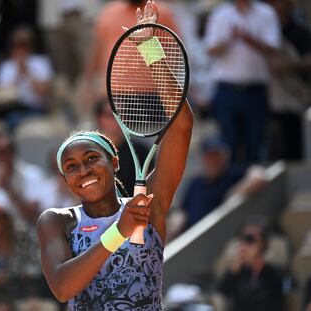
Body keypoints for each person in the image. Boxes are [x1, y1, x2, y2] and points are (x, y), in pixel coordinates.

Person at [36, 2, 193, 308]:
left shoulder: (150, 204)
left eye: (92, 158)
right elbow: (63, 287)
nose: (83, 170)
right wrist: (118, 231)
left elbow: (182, 126)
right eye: (71, 166)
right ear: (64, 178)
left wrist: (149, 48)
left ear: (115, 161)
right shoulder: (57, 222)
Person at [204, 0, 281, 162]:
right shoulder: (220, 15)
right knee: (227, 144)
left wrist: (249, 40)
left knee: (256, 144)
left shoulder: (266, 13)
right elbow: (210, 49)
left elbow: (273, 48)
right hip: (227, 90)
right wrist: (230, 39)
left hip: (255, 90)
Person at [79, 0, 180, 117]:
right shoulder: (108, 13)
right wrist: (87, 84)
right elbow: (96, 50)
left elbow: (175, 54)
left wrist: (171, 91)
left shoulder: (161, 12)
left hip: (153, 98)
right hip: (112, 96)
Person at [264, 0, 311, 161]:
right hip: (268, 101)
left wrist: (287, 65)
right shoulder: (264, 32)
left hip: (296, 100)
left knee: (295, 148)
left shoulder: (300, 32)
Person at [0, 131, 46, 228]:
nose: (4, 156)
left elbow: (32, 216)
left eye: (8, 151)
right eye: (0, 152)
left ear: (14, 152)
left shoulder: (33, 174)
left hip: (26, 233)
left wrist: (8, 188)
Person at [216, 216, 284, 311]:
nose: (243, 246)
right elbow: (221, 292)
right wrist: (232, 273)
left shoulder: (273, 274)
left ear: (263, 244)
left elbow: (277, 306)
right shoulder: (236, 271)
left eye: (250, 240)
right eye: (242, 239)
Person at [0, 26, 54, 130]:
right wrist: (17, 75)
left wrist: (28, 72)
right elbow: (2, 96)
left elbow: (43, 91)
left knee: (14, 119)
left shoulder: (41, 62)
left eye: (24, 45)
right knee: (11, 118)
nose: (21, 49)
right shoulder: (5, 66)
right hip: (11, 109)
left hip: (35, 108)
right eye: (17, 45)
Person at [94, 97, 151, 196]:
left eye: (120, 116)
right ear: (99, 118)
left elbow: (150, 187)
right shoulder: (88, 150)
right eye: (110, 115)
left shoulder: (141, 151)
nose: (116, 120)